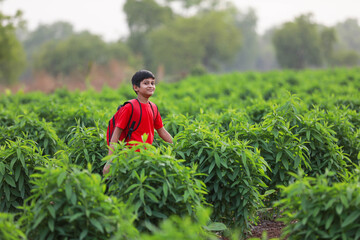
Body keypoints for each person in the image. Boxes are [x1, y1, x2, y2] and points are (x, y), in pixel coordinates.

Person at [103, 70, 173, 175]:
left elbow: (162, 131)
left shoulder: (153, 107)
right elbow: (116, 134)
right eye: (146, 83)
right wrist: (110, 160)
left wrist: (176, 146)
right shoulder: (129, 107)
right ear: (136, 87)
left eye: (152, 83)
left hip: (147, 158)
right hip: (129, 158)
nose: (150, 86)